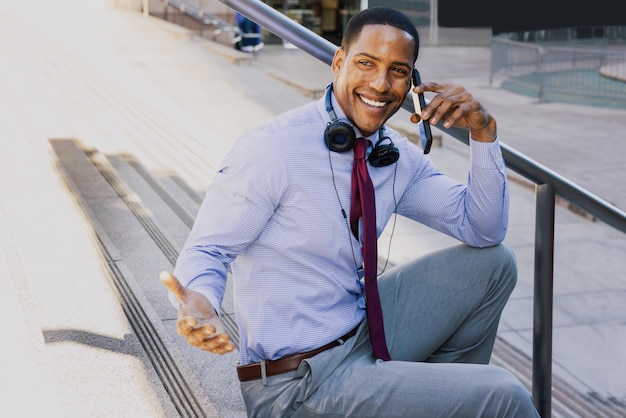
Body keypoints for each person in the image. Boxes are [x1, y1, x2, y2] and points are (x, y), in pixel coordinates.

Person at [161, 6, 540, 417]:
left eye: (397, 70)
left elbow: (483, 229)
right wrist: (199, 303)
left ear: (412, 82)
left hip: (359, 335)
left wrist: (484, 134)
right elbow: (207, 251)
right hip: (299, 383)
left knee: (495, 265)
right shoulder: (273, 148)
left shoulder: (393, 155)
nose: (380, 84)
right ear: (338, 62)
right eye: (366, 63)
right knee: (503, 393)